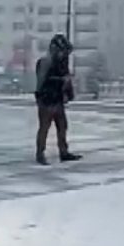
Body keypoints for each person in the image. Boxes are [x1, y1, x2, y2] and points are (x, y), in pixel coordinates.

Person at [34, 34, 81, 165]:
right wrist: (61, 81)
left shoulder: (62, 63)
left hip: (57, 100)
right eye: (63, 51)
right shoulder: (44, 63)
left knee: (62, 127)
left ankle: (63, 152)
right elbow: (43, 82)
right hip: (46, 100)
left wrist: (68, 92)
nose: (65, 55)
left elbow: (66, 79)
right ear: (55, 49)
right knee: (44, 127)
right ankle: (40, 153)